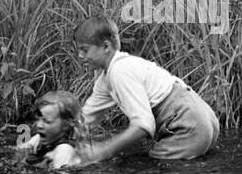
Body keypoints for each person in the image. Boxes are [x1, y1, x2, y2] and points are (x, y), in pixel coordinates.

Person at [70, 16, 219, 163]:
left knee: (157, 173)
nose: (80, 56)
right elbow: (88, 117)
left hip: (187, 123)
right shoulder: (108, 76)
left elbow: (143, 125)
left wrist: (105, 150)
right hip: (203, 117)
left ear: (106, 47)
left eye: (85, 50)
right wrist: (63, 141)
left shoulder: (120, 71)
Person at [16, 90, 84, 169]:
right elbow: (19, 153)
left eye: (47, 121)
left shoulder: (64, 151)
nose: (39, 125)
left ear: (66, 125)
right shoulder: (39, 139)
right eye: (38, 119)